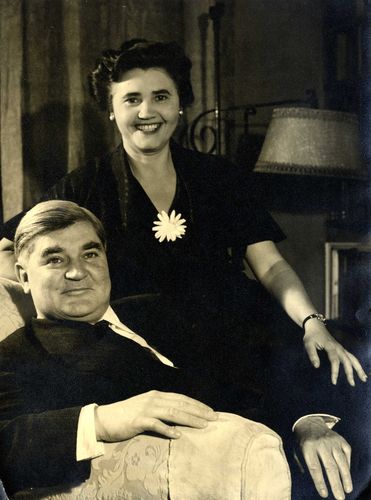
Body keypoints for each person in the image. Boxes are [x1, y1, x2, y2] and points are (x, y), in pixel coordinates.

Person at [0, 40, 367, 388]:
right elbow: (9, 249)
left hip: (238, 328)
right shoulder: (83, 186)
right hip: (146, 344)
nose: (147, 112)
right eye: (132, 99)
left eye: (160, 97)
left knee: (334, 382)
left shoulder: (219, 175)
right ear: (111, 109)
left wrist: (311, 321)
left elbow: (270, 266)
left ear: (180, 104)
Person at [0, 200, 355, 500]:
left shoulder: (157, 309)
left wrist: (307, 421)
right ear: (24, 275)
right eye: (55, 259)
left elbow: (259, 360)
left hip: (290, 445)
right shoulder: (18, 356)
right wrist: (101, 420)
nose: (78, 272)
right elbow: (9, 444)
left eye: (90, 253)